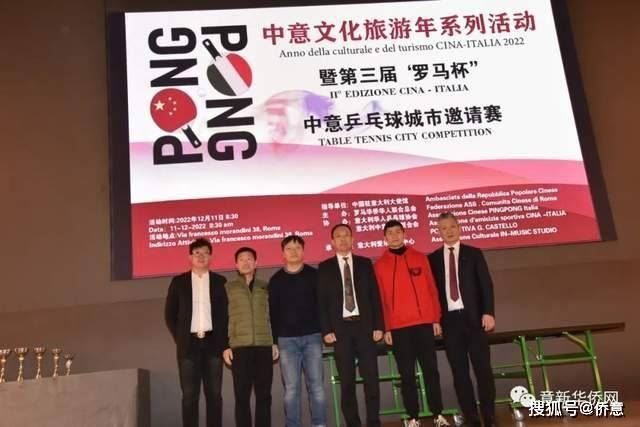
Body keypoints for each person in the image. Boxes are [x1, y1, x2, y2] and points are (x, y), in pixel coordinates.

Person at [374, 220, 450, 427]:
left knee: (431, 371)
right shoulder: (379, 265)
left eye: (398, 232)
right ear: (385, 238)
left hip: (424, 324)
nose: (394, 236)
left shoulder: (420, 258)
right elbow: (380, 300)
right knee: (406, 375)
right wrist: (387, 327)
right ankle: (413, 417)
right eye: (390, 233)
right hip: (398, 328)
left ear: (404, 233)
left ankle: (438, 414)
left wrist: (435, 319)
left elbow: (432, 290)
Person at [428, 213, 497, 427]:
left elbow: (486, 284)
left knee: (483, 370)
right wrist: (434, 319)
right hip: (450, 323)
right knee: (460, 374)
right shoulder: (433, 259)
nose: (448, 231)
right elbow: (431, 293)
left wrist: (488, 312)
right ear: (438, 232)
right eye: (443, 228)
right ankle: (471, 419)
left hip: (475, 320)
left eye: (452, 227)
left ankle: (490, 418)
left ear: (459, 228)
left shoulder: (473, 253)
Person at [317, 223, 385, 427]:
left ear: (352, 239)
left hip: (365, 328)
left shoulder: (365, 263)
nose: (342, 239)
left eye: (346, 235)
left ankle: (373, 421)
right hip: (341, 331)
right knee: (347, 382)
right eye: (338, 236)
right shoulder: (325, 267)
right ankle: (353, 423)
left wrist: (379, 325)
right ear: (332, 242)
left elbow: (374, 296)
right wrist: (326, 330)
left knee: (371, 379)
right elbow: (321, 302)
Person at [164, 238, 228, 427]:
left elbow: (226, 314)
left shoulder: (220, 281)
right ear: (190, 257)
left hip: (213, 344)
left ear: (211, 257)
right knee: (189, 396)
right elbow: (169, 314)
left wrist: (224, 342)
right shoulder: (178, 282)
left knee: (214, 395)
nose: (201, 257)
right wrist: (181, 338)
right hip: (188, 346)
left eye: (205, 253)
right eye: (197, 253)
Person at [269, 235, 327, 427]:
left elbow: (323, 306)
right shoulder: (276, 280)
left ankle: (320, 424)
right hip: (287, 341)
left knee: (317, 387)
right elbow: (272, 313)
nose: (293, 252)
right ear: (283, 253)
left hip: (313, 338)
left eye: (297, 248)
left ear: (303, 251)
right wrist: (274, 341)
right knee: (292, 389)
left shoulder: (315, 275)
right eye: (289, 248)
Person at [223, 247, 278, 427]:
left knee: (264, 396)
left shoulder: (265, 286)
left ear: (256, 263)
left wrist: (274, 342)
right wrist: (225, 346)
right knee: (242, 396)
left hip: (263, 346)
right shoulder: (228, 288)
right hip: (240, 347)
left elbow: (273, 315)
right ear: (236, 264)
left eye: (249, 259)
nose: (246, 262)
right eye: (241, 259)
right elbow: (223, 318)